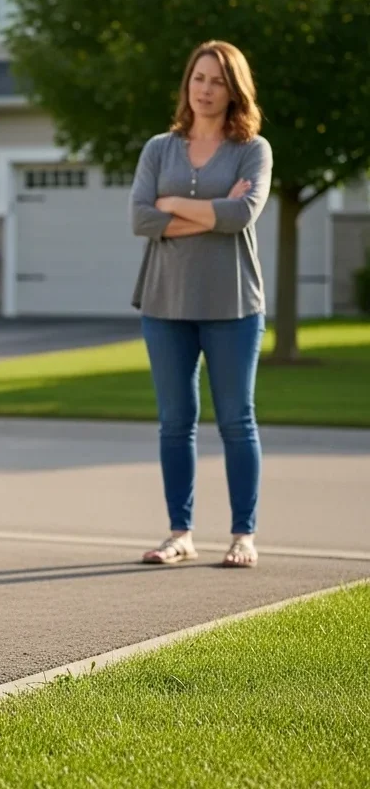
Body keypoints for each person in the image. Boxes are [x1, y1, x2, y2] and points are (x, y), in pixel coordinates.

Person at [129, 40, 273, 569]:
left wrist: (173, 207)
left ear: (234, 89)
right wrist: (211, 210)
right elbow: (140, 219)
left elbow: (242, 215)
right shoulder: (159, 148)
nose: (206, 89)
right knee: (175, 422)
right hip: (164, 301)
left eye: (217, 80)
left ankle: (243, 536)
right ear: (187, 85)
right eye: (199, 78)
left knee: (237, 420)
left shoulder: (253, 149)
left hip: (234, 303)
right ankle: (179, 534)